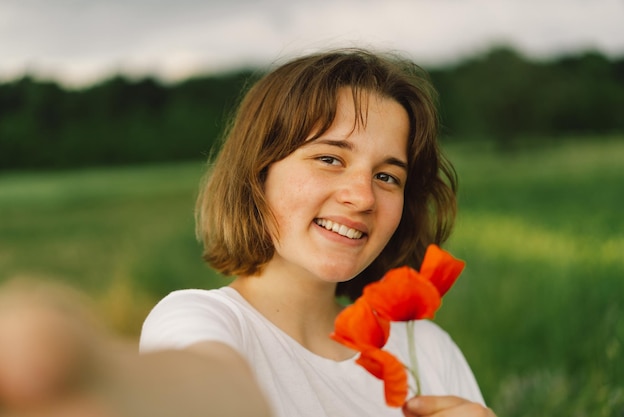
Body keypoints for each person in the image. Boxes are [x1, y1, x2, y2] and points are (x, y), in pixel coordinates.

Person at [0, 48, 495, 417]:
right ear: (259, 171)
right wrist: (101, 375)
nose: (363, 196)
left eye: (388, 176)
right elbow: (216, 387)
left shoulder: (424, 348)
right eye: (329, 158)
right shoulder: (202, 320)